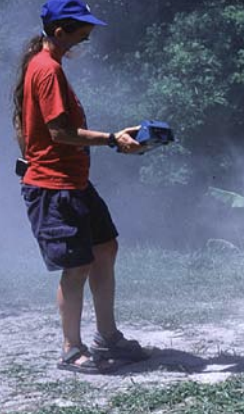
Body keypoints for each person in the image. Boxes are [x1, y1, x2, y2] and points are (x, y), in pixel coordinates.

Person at [12, 0, 148, 374]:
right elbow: (60, 133)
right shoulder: (47, 69)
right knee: (76, 267)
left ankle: (107, 336)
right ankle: (71, 349)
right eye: (82, 32)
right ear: (60, 33)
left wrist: (114, 138)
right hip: (54, 187)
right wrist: (111, 139)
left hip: (73, 183)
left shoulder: (45, 63)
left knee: (105, 248)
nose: (87, 38)